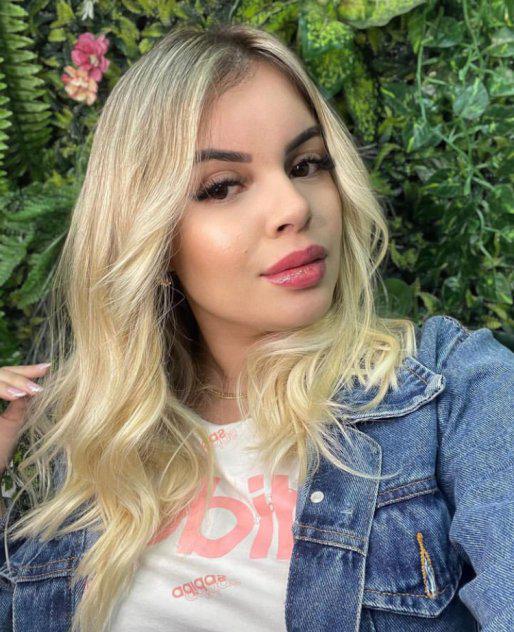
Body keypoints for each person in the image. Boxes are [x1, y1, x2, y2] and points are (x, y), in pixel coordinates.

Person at [0, 22, 513, 632]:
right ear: (148, 234)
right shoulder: (72, 455)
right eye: (222, 187)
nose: (294, 207)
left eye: (306, 164)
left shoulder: (449, 390)